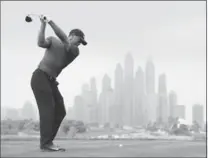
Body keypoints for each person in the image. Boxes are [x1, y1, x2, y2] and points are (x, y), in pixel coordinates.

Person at [30, 15, 87, 152]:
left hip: (51, 81)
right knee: (47, 110)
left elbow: (63, 39)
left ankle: (48, 142)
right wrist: (43, 24)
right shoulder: (53, 41)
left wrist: (50, 21)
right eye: (79, 41)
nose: (79, 45)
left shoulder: (74, 50)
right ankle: (46, 144)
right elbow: (40, 43)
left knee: (60, 111)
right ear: (73, 36)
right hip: (40, 77)